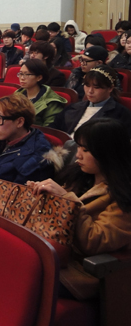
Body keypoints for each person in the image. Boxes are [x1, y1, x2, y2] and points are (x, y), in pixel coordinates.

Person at [28, 118, 131, 301]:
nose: (78, 155)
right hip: (53, 254)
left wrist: (66, 200)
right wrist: (39, 196)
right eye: (79, 148)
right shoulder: (79, 176)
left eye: (86, 150)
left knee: (18, 273)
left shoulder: (123, 195)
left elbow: (94, 242)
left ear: (107, 152)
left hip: (80, 271)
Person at [50, 65, 131, 138]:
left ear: (110, 88)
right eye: (87, 85)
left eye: (96, 87)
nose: (90, 91)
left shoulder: (121, 114)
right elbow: (54, 130)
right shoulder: (72, 107)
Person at [15, 59, 67, 126]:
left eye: (27, 74)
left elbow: (49, 129)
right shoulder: (17, 94)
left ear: (39, 77)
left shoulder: (51, 102)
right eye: (21, 74)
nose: (22, 78)